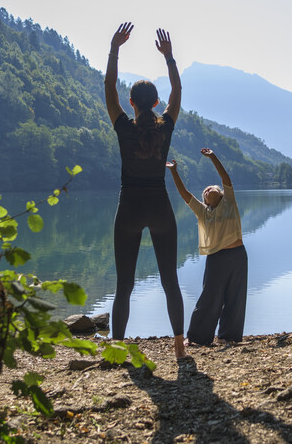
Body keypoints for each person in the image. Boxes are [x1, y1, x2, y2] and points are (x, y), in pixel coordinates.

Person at [104, 22, 187, 358]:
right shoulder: (165, 126)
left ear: (131, 103)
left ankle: (117, 348)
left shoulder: (123, 126)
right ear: (155, 102)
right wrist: (169, 58)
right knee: (170, 281)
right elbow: (177, 93)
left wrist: (114, 48)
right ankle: (180, 349)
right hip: (161, 207)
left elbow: (108, 84)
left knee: (125, 284)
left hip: (129, 209)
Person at [166, 149, 248, 347]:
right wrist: (174, 171)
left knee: (235, 296)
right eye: (205, 190)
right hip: (217, 258)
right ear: (205, 200)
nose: (209, 189)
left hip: (237, 255)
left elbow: (225, 177)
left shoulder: (229, 203)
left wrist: (213, 157)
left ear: (220, 193)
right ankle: (196, 337)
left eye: (212, 187)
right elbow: (185, 194)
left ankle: (228, 337)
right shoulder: (203, 212)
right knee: (210, 296)